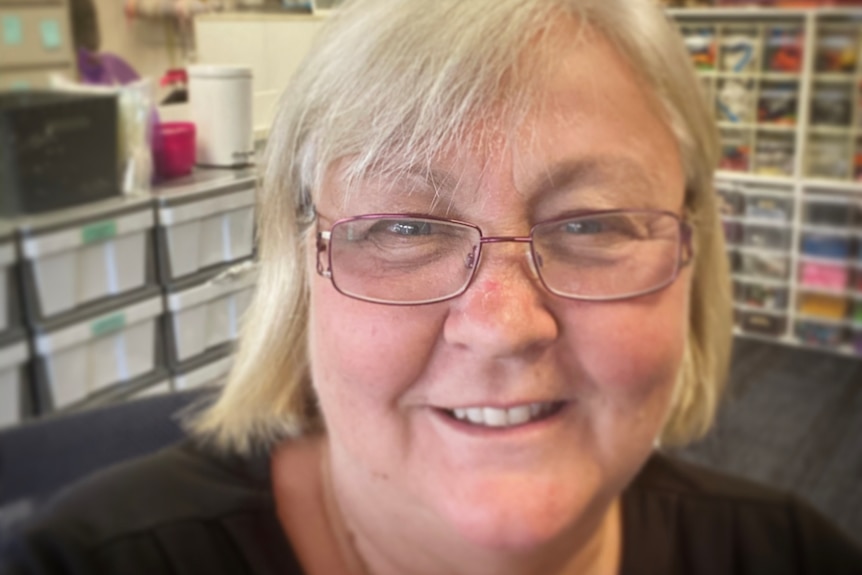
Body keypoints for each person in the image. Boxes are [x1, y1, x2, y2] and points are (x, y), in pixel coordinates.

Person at [3, 0, 862, 573]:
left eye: (594, 223)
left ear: (695, 260)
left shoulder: (792, 552)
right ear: (299, 273)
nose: (502, 325)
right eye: (405, 227)